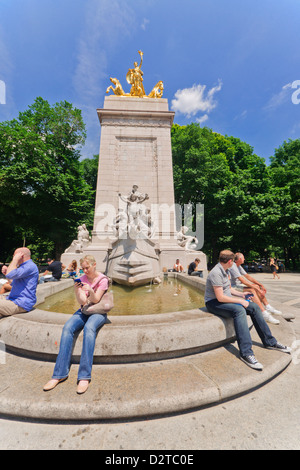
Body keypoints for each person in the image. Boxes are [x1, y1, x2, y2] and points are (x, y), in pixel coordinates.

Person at [205, 250, 291, 370]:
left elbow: (229, 290)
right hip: (213, 303)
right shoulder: (216, 272)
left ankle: (270, 342)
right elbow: (220, 297)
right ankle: (246, 353)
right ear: (230, 261)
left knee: (254, 307)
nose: (233, 264)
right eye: (232, 262)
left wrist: (242, 295)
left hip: (224, 299)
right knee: (239, 310)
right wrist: (240, 301)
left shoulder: (226, 270)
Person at [43, 255, 109, 395]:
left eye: (87, 268)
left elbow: (96, 300)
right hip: (84, 310)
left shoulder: (103, 280)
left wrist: (90, 290)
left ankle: (84, 376)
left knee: (89, 329)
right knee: (67, 328)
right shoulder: (81, 278)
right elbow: (83, 301)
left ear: (94, 265)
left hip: (98, 312)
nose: (85, 271)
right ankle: (59, 374)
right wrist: (77, 290)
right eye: (83, 268)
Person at [229, 253, 281, 325]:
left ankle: (268, 307)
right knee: (252, 289)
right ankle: (264, 313)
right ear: (240, 259)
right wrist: (257, 289)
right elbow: (244, 281)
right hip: (232, 287)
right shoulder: (233, 267)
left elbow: (248, 277)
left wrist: (260, 285)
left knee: (256, 286)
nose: (244, 259)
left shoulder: (239, 266)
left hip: (238, 285)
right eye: (243, 258)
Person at [0, 247, 39, 317]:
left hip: (21, 303)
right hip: (14, 299)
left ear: (21, 256)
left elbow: (10, 274)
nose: (13, 257)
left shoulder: (29, 266)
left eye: (14, 255)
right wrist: (6, 273)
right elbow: (13, 283)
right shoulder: (24, 266)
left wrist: (14, 260)